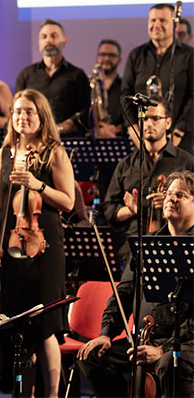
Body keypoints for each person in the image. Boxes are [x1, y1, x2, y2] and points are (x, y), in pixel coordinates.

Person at [0, 89, 76, 396]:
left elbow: (68, 201)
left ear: (41, 117)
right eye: (17, 111)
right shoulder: (3, 155)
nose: (22, 117)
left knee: (46, 323)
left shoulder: (54, 152)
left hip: (46, 248)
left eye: (28, 112)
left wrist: (38, 185)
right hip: (13, 247)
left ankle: (51, 394)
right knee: (18, 324)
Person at [77, 170, 194, 397]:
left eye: (180, 195)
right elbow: (124, 292)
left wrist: (163, 349)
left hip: (187, 341)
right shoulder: (147, 245)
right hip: (147, 337)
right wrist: (106, 333)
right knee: (92, 358)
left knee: (170, 363)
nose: (171, 199)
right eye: (169, 194)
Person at [102, 98, 194, 261]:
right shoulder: (126, 164)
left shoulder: (186, 162)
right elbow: (109, 210)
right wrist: (132, 210)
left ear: (168, 123)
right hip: (133, 248)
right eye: (144, 119)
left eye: (155, 118)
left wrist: (170, 201)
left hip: (175, 246)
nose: (149, 124)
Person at [121, 4, 194, 152]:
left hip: (180, 142)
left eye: (162, 20)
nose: (156, 25)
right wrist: (134, 131)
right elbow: (125, 94)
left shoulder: (189, 55)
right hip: (142, 141)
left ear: (175, 23)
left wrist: (178, 132)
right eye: (153, 20)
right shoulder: (136, 55)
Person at [15, 19, 91, 136]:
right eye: (44, 37)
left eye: (54, 36)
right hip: (33, 139)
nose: (48, 40)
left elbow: (86, 110)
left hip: (66, 139)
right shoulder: (26, 74)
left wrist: (64, 126)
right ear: (39, 42)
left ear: (64, 41)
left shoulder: (77, 75)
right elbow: (17, 108)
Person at [88, 39, 124, 137]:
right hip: (91, 140)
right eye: (102, 54)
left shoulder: (126, 87)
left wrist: (116, 129)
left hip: (118, 139)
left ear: (119, 60)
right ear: (97, 57)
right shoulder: (88, 86)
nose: (106, 58)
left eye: (112, 55)